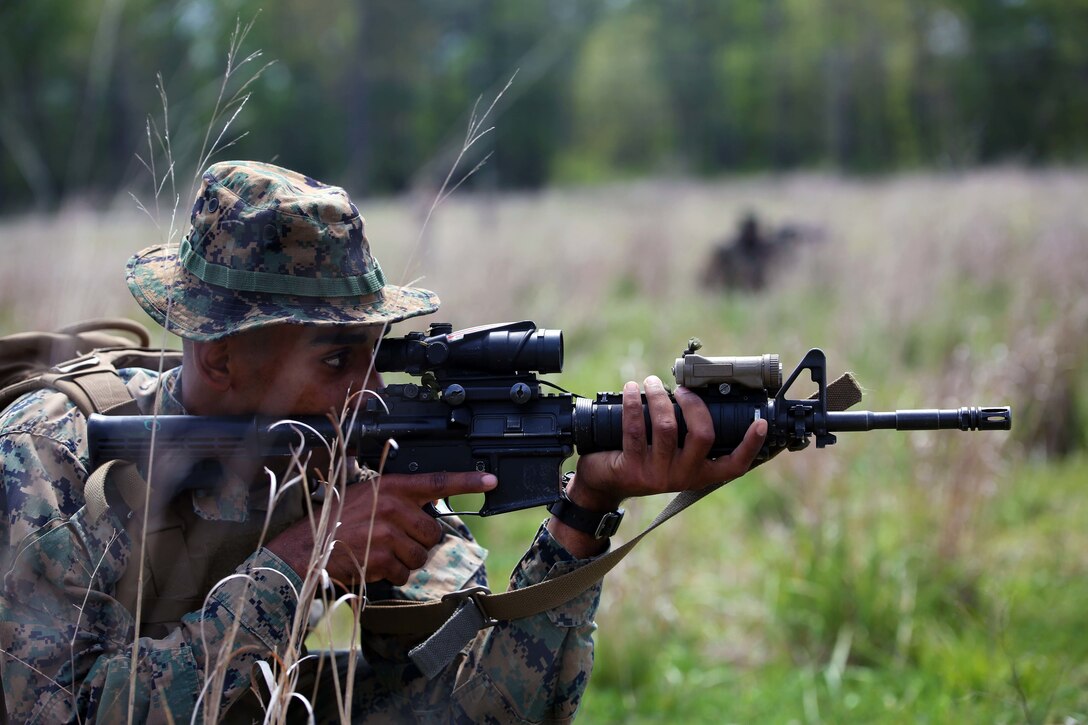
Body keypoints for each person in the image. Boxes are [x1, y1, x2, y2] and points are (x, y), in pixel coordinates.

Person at [0, 160, 767, 722]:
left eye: (378, 352)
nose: (369, 391)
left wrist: (585, 510)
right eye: (336, 360)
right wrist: (296, 569)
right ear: (219, 355)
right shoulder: (51, 461)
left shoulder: (363, 449)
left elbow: (486, 706)